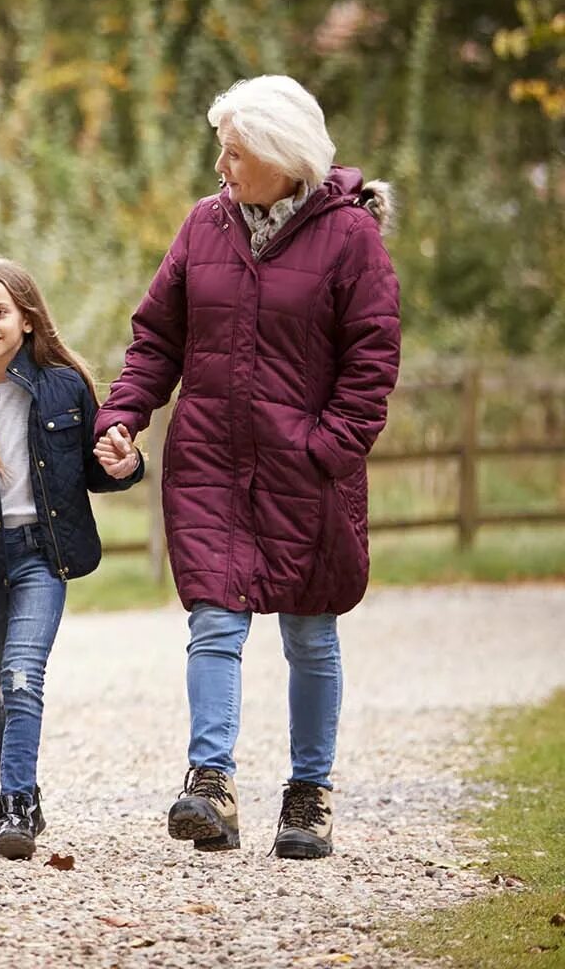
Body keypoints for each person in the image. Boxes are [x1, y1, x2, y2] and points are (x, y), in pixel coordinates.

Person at [93, 76, 400, 859]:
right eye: (221, 150)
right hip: (210, 463)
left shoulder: (351, 240)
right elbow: (157, 338)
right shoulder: (204, 227)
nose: (221, 166)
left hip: (306, 471)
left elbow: (372, 363)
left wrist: (324, 449)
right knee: (214, 623)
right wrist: (125, 415)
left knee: (310, 629)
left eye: (234, 152)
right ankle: (210, 784)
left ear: (281, 156)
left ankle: (308, 795)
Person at [0, 258, 144, 859]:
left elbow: (98, 469)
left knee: (20, 674)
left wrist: (127, 464)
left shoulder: (66, 387)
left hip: (45, 555)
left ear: (27, 319)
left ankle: (11, 801)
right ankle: (29, 797)